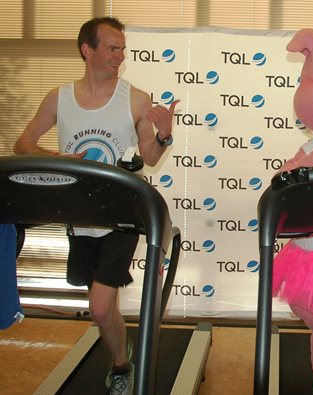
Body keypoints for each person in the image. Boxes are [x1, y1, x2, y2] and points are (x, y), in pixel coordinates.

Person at [14, 17, 178, 395]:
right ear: (88, 50)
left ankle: (121, 366)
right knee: (102, 308)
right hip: (78, 216)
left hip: (120, 217)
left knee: (101, 307)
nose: (120, 55)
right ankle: (122, 350)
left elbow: (150, 158)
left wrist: (165, 135)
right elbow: (24, 144)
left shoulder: (136, 98)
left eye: (122, 48)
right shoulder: (60, 97)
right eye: (112, 47)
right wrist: (57, 157)